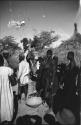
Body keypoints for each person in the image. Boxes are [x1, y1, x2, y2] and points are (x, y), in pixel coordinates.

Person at [0, 54, 14, 122]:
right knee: (8, 104)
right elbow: (14, 82)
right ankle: (8, 120)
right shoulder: (8, 70)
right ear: (2, 61)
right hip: (7, 92)